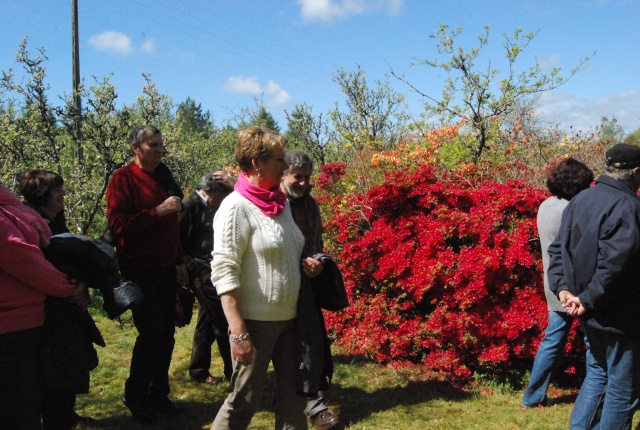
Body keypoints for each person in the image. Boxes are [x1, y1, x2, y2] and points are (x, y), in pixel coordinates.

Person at [210, 126, 308, 429]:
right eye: (278, 160)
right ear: (256, 163)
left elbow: (283, 250)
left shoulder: (282, 204)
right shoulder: (235, 208)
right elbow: (224, 271)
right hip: (255, 323)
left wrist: (306, 264)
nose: (284, 166)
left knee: (294, 400)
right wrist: (238, 333)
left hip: (292, 319)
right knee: (244, 401)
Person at [548, 143, 640, 429]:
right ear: (636, 172)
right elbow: (616, 265)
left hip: (588, 310)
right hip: (618, 317)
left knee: (598, 374)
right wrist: (582, 298)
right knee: (622, 390)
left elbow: (557, 250)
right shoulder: (629, 206)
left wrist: (564, 290)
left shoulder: (581, 199)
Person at [107, 124, 188, 424]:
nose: (158, 149)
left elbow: (172, 226)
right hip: (138, 268)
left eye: (160, 144)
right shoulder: (123, 179)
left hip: (166, 267)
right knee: (152, 333)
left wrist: (180, 261)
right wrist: (158, 211)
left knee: (166, 334)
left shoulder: (164, 177)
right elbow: (117, 227)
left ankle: (158, 394)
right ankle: (136, 395)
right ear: (135, 148)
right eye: (152, 144)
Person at [20, 170, 103, 429]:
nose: (63, 194)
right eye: (58, 190)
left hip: (67, 302)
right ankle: (57, 419)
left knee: (70, 359)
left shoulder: (57, 220)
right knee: (55, 367)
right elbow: (38, 267)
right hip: (47, 307)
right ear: (43, 195)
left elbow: (72, 258)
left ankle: (66, 414)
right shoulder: (30, 222)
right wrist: (71, 289)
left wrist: (82, 283)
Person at [0, 181, 87, 430]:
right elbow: (23, 260)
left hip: (25, 323)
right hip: (10, 330)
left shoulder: (9, 205)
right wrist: (70, 289)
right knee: (18, 413)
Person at [522, 158, 594, 408]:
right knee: (594, 342)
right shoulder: (574, 209)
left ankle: (533, 395)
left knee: (553, 340)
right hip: (578, 285)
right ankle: (595, 395)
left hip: (553, 282)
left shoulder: (545, 206)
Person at [280, 150, 341, 430]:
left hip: (305, 287)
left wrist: (317, 262)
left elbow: (316, 244)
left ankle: (315, 404)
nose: (303, 183)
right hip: (275, 289)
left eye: (307, 177)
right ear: (282, 174)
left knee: (308, 344)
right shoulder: (272, 204)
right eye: (297, 177)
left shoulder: (311, 204)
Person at [179, 171, 235, 384]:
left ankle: (198, 369)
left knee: (206, 319)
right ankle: (233, 373)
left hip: (212, 266)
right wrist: (182, 267)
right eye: (224, 193)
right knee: (221, 318)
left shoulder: (211, 206)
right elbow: (176, 239)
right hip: (198, 269)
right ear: (214, 191)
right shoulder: (189, 205)